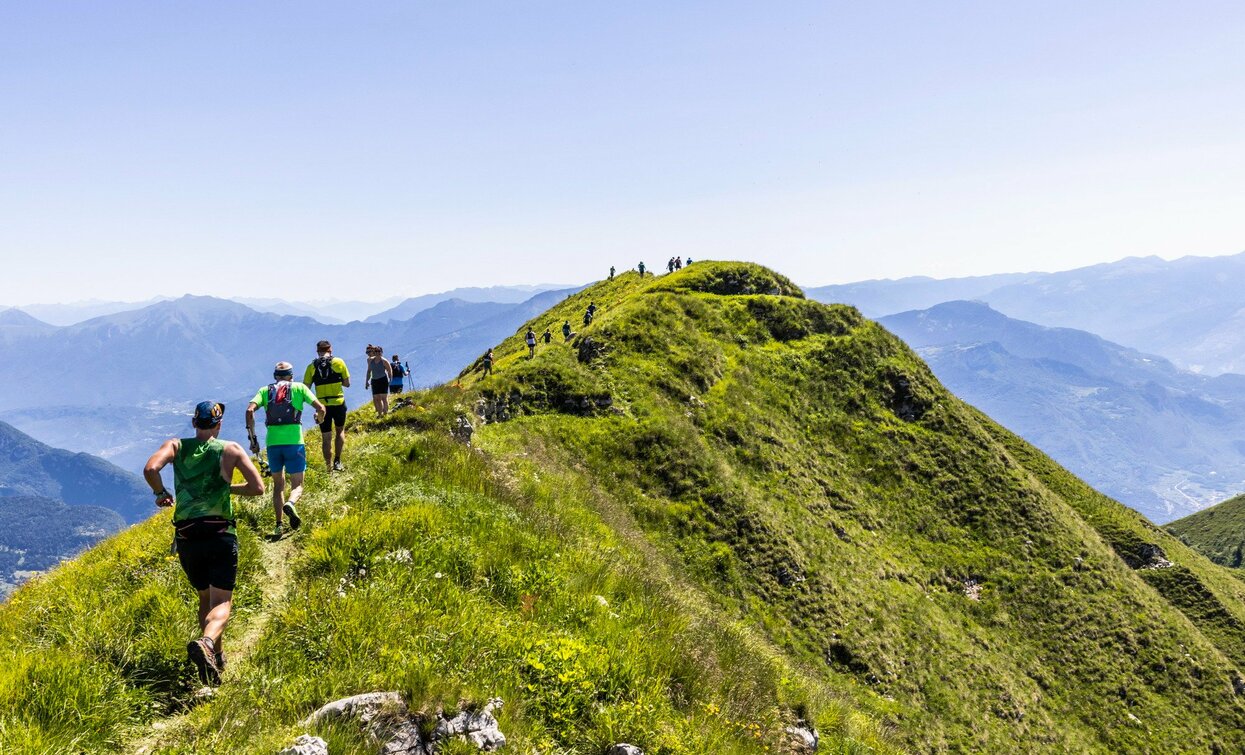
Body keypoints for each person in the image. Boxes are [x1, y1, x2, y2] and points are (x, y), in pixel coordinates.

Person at [144, 401, 265, 685]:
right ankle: (209, 642)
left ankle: (216, 658)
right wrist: (227, 486)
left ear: (193, 423)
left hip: (187, 534)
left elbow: (151, 468)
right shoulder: (231, 450)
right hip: (220, 531)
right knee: (222, 600)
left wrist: (161, 493)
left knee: (204, 598)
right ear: (219, 424)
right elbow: (258, 488)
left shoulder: (176, 446)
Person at [246, 362, 326, 539]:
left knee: (278, 486)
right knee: (297, 484)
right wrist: (319, 419)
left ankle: (278, 525)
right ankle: (290, 503)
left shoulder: (265, 391)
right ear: (291, 375)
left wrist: (253, 439)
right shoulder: (299, 388)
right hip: (294, 442)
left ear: (275, 376)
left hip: (273, 444)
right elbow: (321, 408)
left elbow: (250, 410)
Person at [304, 340, 351, 472]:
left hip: (322, 406)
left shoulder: (311, 366)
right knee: (340, 430)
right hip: (338, 402)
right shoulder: (339, 362)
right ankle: (337, 460)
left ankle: (328, 467)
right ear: (330, 350)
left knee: (326, 436)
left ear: (317, 351)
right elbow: (347, 383)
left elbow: (306, 388)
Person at [365, 345, 394, 417]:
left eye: (379, 351)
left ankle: (385, 414)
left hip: (382, 380)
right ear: (374, 352)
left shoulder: (384, 361)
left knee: (384, 398)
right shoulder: (370, 360)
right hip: (374, 381)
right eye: (376, 351)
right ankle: (380, 414)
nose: (378, 353)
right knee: (377, 398)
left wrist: (390, 380)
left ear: (381, 352)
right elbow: (369, 371)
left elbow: (390, 371)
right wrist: (366, 381)